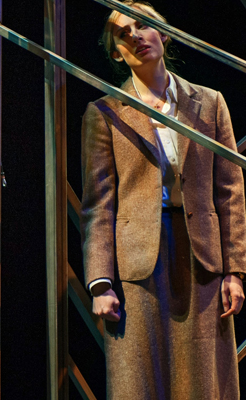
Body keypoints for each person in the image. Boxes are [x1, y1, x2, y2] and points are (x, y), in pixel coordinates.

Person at [80, 1, 246, 399]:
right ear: (116, 53)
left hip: (201, 253)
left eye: (142, 25)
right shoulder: (105, 112)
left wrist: (236, 271)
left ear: (164, 34)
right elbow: (98, 204)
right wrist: (100, 282)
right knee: (141, 378)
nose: (135, 36)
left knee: (203, 379)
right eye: (123, 34)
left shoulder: (209, 102)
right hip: (139, 260)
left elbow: (230, 190)